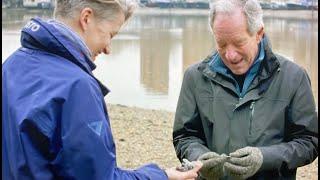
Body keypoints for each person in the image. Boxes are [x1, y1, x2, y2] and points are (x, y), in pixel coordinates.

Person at [2, 0, 203, 179]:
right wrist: (161, 176)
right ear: (86, 18)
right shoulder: (77, 86)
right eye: (110, 34)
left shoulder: (12, 65)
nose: (108, 48)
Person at [172, 0, 318, 179]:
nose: (230, 55)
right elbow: (184, 136)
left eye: (238, 42)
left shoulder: (294, 77)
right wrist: (198, 157)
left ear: (259, 34)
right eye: (222, 44)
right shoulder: (194, 77)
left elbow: (309, 142)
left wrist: (264, 158)